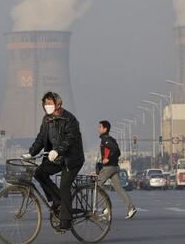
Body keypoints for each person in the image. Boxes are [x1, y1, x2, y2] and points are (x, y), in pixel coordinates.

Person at [23, 92, 85, 232]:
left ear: (58, 104)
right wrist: (31, 153)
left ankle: (66, 220)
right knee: (39, 173)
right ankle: (58, 201)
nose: (47, 106)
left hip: (71, 159)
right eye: (45, 104)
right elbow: (41, 138)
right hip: (56, 158)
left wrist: (58, 150)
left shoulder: (70, 119)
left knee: (64, 185)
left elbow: (70, 139)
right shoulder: (46, 120)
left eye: (50, 103)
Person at [97, 120, 137, 219]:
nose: (98, 129)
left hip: (109, 167)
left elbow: (114, 149)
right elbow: (118, 152)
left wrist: (108, 159)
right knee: (119, 188)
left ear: (105, 129)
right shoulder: (111, 139)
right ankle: (131, 208)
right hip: (115, 167)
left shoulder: (106, 139)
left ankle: (106, 208)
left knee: (97, 186)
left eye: (100, 127)